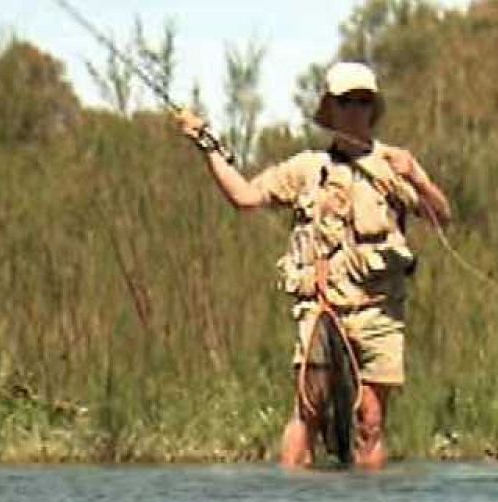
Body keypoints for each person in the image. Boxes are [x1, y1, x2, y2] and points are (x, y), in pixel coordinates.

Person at [175, 61, 452, 470]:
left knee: (370, 421)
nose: (355, 110)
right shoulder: (307, 167)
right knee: (309, 407)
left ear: (373, 109)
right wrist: (208, 145)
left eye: (363, 102)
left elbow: (442, 216)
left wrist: (417, 177)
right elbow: (245, 197)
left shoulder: (396, 165)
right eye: (346, 102)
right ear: (331, 109)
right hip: (321, 307)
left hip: (380, 310)